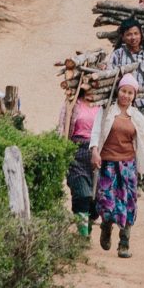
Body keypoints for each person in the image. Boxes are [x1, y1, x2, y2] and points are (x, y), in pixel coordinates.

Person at [91, 74, 144, 257]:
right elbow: (96, 132)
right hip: (108, 164)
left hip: (128, 166)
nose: (126, 95)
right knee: (106, 201)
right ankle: (106, 226)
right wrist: (95, 151)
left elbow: (143, 144)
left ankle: (124, 242)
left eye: (130, 92)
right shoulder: (107, 110)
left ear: (134, 95)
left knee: (128, 203)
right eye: (123, 91)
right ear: (118, 91)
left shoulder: (137, 117)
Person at [57, 80, 105, 237]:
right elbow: (62, 127)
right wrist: (63, 150)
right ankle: (83, 234)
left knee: (96, 197)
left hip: (98, 153)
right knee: (81, 193)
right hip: (77, 152)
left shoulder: (104, 106)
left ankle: (88, 223)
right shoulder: (72, 105)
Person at [109, 22, 144, 110]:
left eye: (136, 33)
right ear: (123, 37)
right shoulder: (117, 54)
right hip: (123, 106)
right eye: (129, 34)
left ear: (141, 35)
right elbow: (110, 78)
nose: (133, 37)